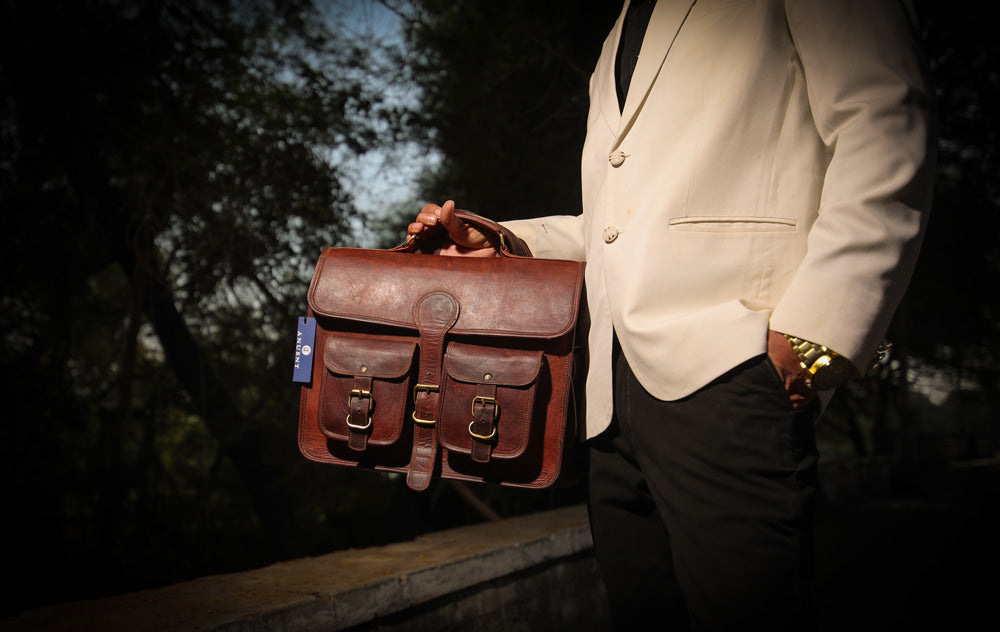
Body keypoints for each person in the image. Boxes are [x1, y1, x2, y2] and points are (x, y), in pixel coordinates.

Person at [408, 1, 936, 629]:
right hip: (608, 404)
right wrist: (506, 242)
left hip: (731, 372)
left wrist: (812, 342)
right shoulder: (619, 31)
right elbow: (623, 230)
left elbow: (887, 125)